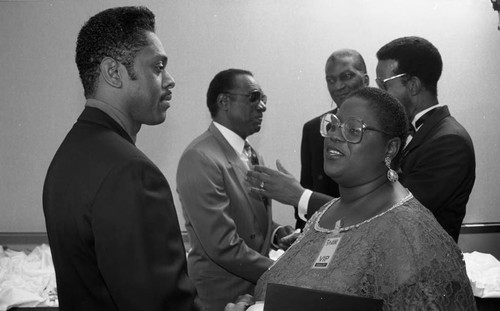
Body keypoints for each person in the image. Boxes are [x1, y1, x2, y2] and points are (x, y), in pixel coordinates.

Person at [254, 87, 477, 310]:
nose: (333, 134)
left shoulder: (408, 235)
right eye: (332, 124)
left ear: (389, 149)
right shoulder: (326, 213)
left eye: (353, 129)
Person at [42, 6, 198, 310]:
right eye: (158, 67)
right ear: (114, 73)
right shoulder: (130, 172)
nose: (170, 80)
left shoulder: (68, 154)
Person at [176, 69, 294, 311]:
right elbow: (222, 245)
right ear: (224, 102)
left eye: (264, 98)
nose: (262, 106)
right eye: (253, 96)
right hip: (221, 298)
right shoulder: (200, 157)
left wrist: (276, 233)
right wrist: (286, 270)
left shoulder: (251, 154)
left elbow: (250, 222)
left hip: (254, 291)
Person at [248, 49, 369, 229]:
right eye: (331, 80)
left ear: (365, 80)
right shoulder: (314, 130)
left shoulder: (385, 127)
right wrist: (299, 238)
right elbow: (306, 200)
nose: (338, 86)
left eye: (347, 76)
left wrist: (299, 195)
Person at [375, 36, 476, 242]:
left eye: (383, 86)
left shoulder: (449, 142)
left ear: (412, 85)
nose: (380, 95)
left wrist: (304, 197)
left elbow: (395, 216)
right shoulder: (406, 131)